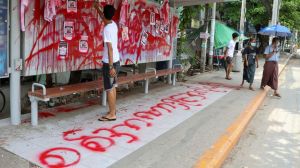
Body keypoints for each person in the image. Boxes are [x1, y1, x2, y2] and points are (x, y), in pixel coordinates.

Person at [94, 4, 120, 121]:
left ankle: (112, 114)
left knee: (109, 88)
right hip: (116, 60)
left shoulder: (107, 29)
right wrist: (97, 8)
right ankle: (112, 110)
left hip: (109, 63)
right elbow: (104, 19)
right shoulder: (113, 25)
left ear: (105, 14)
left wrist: (110, 67)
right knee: (113, 87)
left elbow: (109, 48)